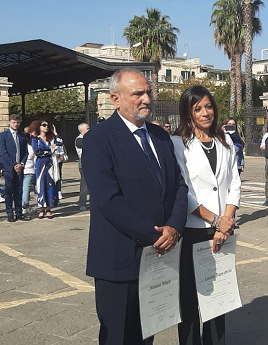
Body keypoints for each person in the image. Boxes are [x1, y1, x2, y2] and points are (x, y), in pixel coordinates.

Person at [82, 68, 187, 345]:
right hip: (118, 258)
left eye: (148, 92)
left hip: (157, 257)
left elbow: (179, 186)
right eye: (137, 93)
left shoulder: (160, 137)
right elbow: (108, 199)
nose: (147, 99)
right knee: (118, 335)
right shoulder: (99, 138)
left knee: (146, 335)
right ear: (115, 99)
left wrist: (174, 226)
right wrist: (156, 235)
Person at [172, 85, 240, 345]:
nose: (205, 113)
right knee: (190, 299)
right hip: (193, 229)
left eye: (208, 106)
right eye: (197, 108)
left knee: (218, 298)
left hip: (224, 229)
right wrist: (214, 219)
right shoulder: (178, 144)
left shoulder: (225, 141)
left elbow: (234, 182)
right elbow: (183, 190)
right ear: (188, 113)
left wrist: (226, 219)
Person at [0, 114, 29, 222]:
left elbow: (25, 152)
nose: (16, 124)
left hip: (20, 167)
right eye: (13, 122)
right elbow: (3, 152)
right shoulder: (3, 135)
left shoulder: (22, 136)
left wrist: (22, 164)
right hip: (9, 168)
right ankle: (10, 213)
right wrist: (14, 164)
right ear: (9, 122)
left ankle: (19, 213)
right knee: (9, 190)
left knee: (18, 191)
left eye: (17, 122)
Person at [30, 119, 61, 219]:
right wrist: (50, 152)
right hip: (40, 165)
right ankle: (41, 208)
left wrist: (56, 134)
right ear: (39, 127)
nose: (46, 127)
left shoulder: (51, 138)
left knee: (51, 185)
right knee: (40, 185)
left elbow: (59, 146)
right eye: (44, 125)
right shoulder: (36, 139)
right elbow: (37, 152)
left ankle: (49, 208)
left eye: (47, 125)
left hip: (51, 165)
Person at [75, 122, 90, 211]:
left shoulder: (89, 138)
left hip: (92, 163)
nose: (89, 130)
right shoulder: (79, 139)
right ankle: (82, 203)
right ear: (82, 130)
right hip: (84, 163)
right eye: (87, 129)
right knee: (84, 185)